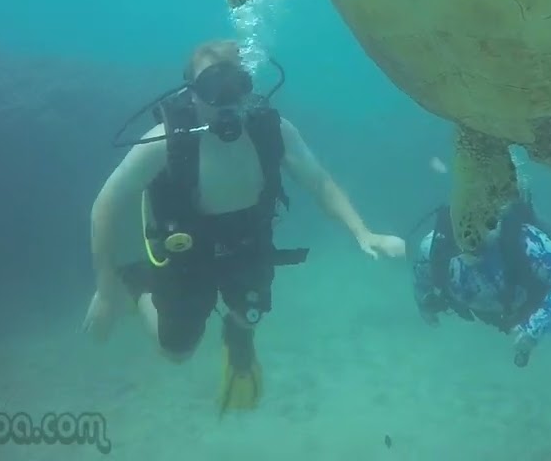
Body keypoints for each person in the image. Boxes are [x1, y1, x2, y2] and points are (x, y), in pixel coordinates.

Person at [83, 38, 405, 415]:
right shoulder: (164, 142)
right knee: (177, 352)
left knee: (249, 313)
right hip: (187, 253)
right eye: (211, 88)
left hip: (247, 242)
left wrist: (362, 232)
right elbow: (106, 204)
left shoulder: (272, 130)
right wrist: (107, 289)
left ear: (248, 86)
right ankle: (135, 283)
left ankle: (238, 336)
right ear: (191, 94)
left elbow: (318, 182)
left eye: (235, 86)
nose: (225, 101)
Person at [412, 192, 551, 367]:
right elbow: (422, 276)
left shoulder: (525, 241)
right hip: (502, 308)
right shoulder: (434, 249)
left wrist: (534, 327)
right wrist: (425, 304)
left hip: (532, 299)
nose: (471, 239)